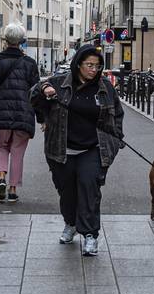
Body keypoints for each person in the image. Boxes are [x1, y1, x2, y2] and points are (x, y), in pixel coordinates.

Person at [30, 45, 124, 256]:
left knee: (90, 188)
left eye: (97, 66)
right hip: (61, 149)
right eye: (89, 65)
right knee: (67, 192)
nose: (93, 70)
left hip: (93, 149)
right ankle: (70, 223)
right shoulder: (59, 83)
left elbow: (117, 114)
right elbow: (33, 95)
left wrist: (115, 139)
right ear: (78, 64)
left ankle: (90, 235)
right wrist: (44, 90)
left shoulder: (105, 87)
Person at [0, 23, 40, 203]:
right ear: (21, 41)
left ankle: (2, 177)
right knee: (18, 151)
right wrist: (42, 118)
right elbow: (36, 93)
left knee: (2, 146)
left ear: (5, 40)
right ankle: (12, 189)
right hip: (23, 113)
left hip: (1, 113)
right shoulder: (30, 63)